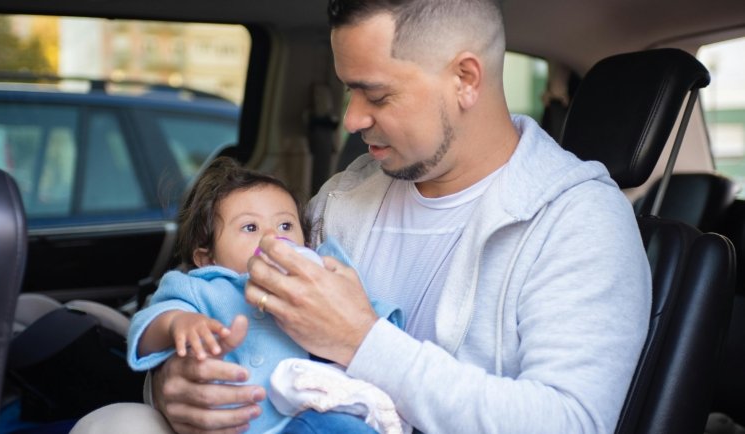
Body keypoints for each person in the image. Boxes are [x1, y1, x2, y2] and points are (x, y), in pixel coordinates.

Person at [73, 0, 652, 433]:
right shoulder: (346, 197)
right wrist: (175, 387)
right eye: (348, 92)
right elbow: (238, 324)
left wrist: (362, 340)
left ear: (465, 79)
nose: (351, 119)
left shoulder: (577, 221)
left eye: (375, 95)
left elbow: (568, 422)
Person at [121, 156, 406, 434]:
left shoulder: (322, 276)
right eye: (250, 227)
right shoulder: (202, 287)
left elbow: (373, 326)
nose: (272, 237)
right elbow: (144, 331)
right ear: (206, 258)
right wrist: (176, 324)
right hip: (241, 422)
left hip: (321, 413)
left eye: (285, 226)